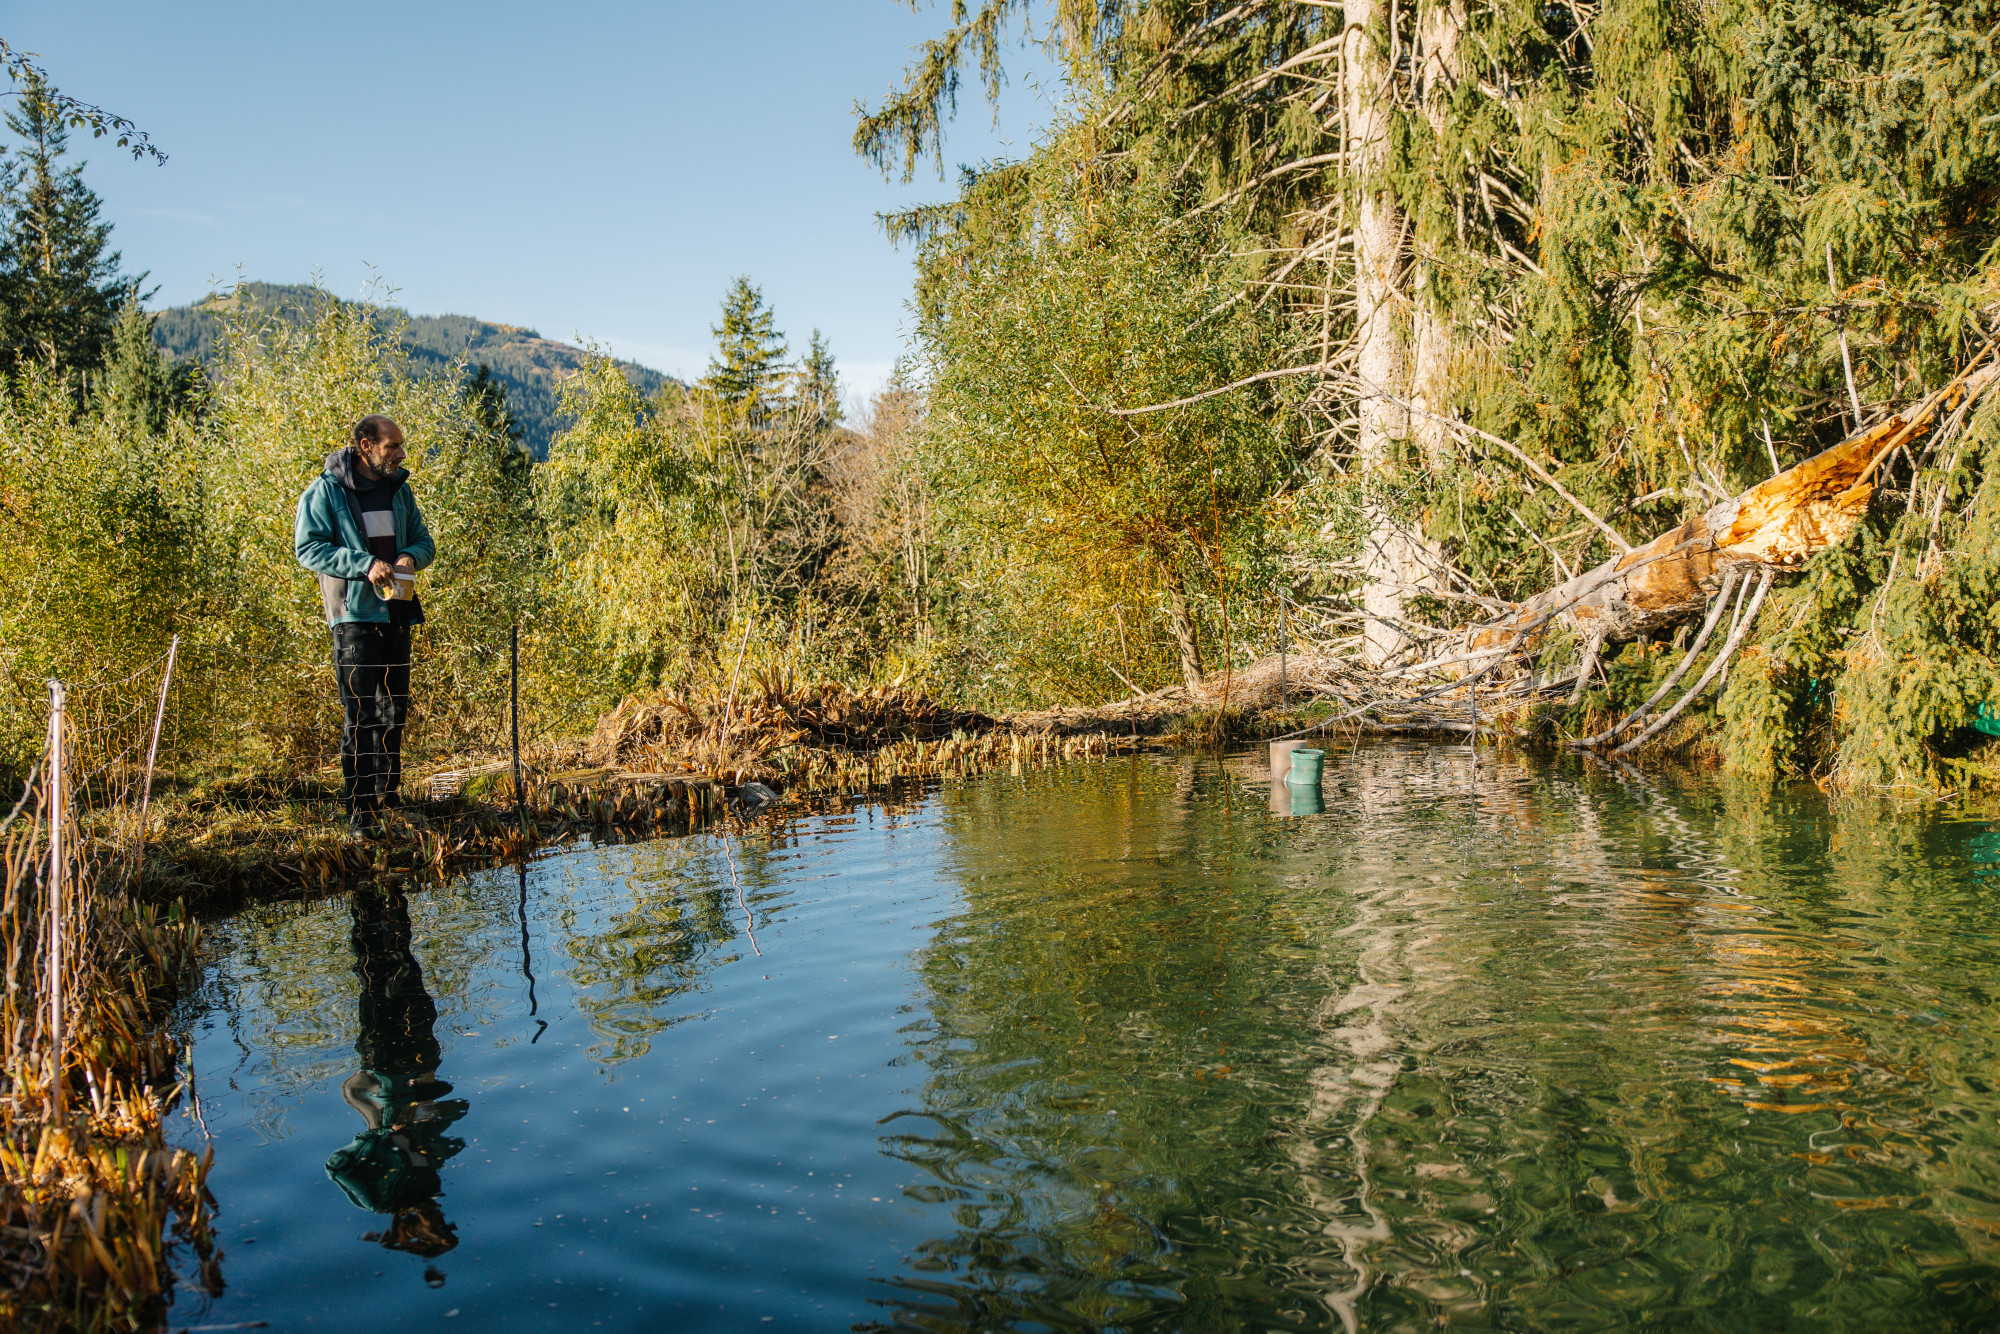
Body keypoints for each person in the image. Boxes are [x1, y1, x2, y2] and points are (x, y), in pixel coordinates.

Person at [295, 415, 436, 834]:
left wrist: (411, 555)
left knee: (395, 709)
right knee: (361, 714)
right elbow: (308, 548)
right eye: (393, 446)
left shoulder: (400, 491)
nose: (401, 453)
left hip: (397, 612)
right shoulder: (325, 491)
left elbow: (425, 541)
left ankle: (388, 799)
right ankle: (359, 813)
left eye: (400, 446)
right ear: (364, 446)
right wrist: (363, 564)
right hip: (353, 618)